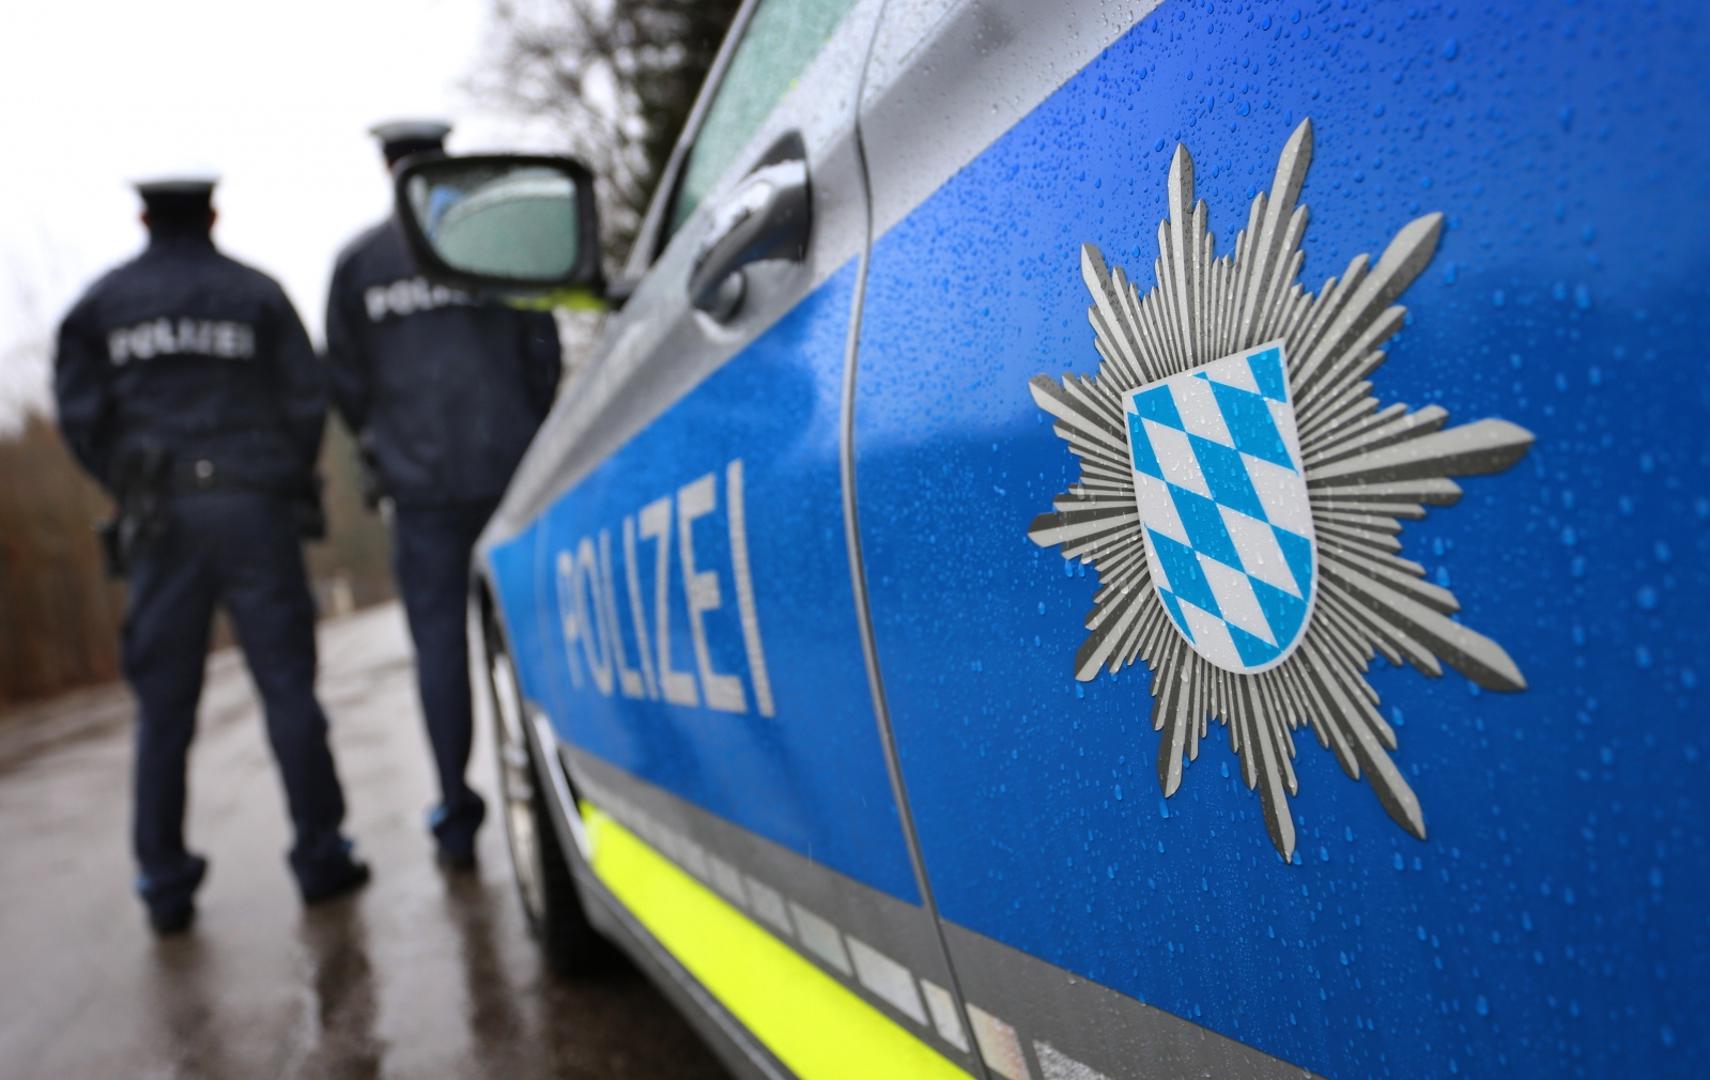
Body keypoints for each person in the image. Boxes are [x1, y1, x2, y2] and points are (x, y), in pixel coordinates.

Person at [53, 176, 369, 935]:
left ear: (144, 218)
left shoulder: (101, 305)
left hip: (161, 518)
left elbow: (79, 413)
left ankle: (164, 884)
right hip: (254, 508)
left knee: (164, 708)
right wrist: (275, 472)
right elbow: (306, 398)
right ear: (213, 214)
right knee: (288, 688)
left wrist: (130, 480)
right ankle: (321, 855)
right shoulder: (255, 294)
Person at [325, 120, 562, 870]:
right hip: (511, 477)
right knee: (535, 633)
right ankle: (561, 795)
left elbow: (346, 384)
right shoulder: (493, 244)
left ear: (388, 170)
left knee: (439, 649)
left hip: (421, 490)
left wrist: (393, 448)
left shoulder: (359, 264)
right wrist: (526, 433)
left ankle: (456, 817)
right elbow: (542, 350)